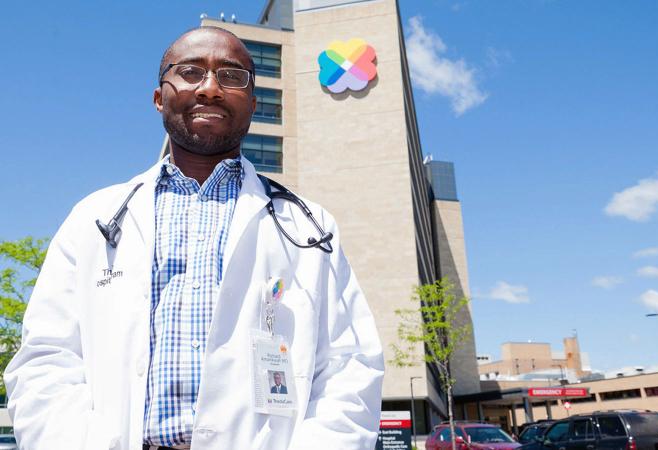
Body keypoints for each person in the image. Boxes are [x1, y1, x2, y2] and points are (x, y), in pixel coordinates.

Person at [4, 26, 384, 450]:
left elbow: (349, 367)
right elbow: (46, 360)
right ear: (158, 97)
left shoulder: (309, 227)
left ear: (253, 104)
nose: (211, 89)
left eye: (232, 76)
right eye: (189, 72)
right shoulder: (93, 219)